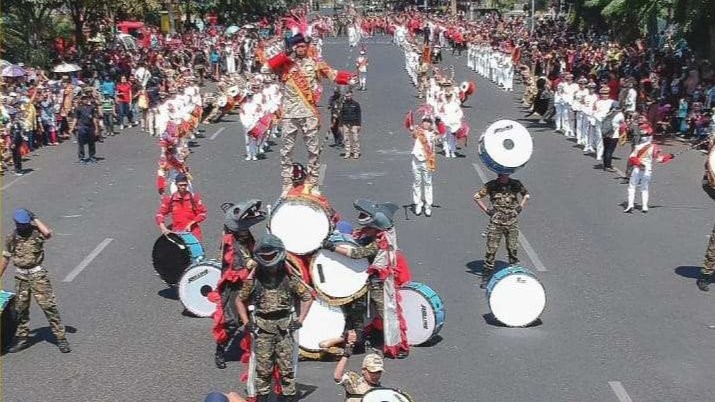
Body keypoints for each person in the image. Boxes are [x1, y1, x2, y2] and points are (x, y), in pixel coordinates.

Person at [266, 31, 356, 196]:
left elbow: (333, 74)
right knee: (286, 151)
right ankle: (287, 184)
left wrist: (349, 78)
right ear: (293, 47)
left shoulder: (315, 63)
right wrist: (284, 54)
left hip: (308, 113)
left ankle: (313, 183)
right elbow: (266, 68)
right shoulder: (285, 64)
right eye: (298, 46)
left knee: (313, 151)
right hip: (289, 114)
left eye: (303, 46)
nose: (301, 49)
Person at [323, 199, 410, 359]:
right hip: (369, 282)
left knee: (387, 314)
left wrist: (333, 248)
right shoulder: (374, 234)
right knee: (359, 312)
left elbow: (357, 254)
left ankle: (398, 346)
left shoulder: (380, 241)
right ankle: (359, 340)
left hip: (379, 284)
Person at [236, 233, 313, 402]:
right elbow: (239, 300)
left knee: (287, 370)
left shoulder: (289, 277)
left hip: (285, 328)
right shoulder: (254, 279)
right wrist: (247, 322)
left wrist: (299, 321)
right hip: (262, 329)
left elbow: (307, 297)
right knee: (263, 370)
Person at [0, 208, 71, 353]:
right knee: (21, 309)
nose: (23, 227)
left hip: (37, 275)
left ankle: (61, 338)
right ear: (16, 223)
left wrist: (35, 218)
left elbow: (48, 234)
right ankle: (23, 338)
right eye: (21, 224)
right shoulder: (11, 237)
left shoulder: (36, 232)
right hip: (21, 277)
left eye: (26, 224)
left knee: (48, 306)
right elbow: (5, 258)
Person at [211, 200, 266, 369]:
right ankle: (221, 351)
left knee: (257, 316)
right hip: (234, 285)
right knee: (232, 321)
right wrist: (256, 264)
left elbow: (253, 250)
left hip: (250, 280)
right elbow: (238, 267)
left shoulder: (245, 234)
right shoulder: (230, 241)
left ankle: (256, 351)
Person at [473, 173, 530, 288]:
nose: (505, 176)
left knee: (512, 247)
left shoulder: (516, 184)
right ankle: (486, 274)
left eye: (506, 175)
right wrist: (488, 211)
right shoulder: (491, 185)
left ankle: (514, 272)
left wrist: (519, 208)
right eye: (503, 175)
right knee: (491, 249)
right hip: (496, 222)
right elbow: (476, 197)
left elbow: (527, 195)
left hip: (511, 221)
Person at [623, 122, 673, 213]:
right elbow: (659, 160)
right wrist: (669, 157)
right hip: (647, 170)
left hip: (637, 169)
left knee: (632, 187)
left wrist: (639, 164)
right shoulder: (654, 147)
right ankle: (645, 206)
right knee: (644, 188)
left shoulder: (638, 146)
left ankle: (630, 204)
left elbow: (632, 158)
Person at [155, 173, 208, 241]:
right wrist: (163, 228)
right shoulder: (170, 199)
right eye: (181, 185)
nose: (183, 187)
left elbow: (202, 213)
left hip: (193, 234)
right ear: (176, 185)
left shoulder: (194, 198)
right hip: (177, 234)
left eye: (185, 185)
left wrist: (191, 223)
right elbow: (160, 214)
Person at [409, 115, 437, 216]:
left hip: (427, 161)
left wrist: (435, 128)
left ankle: (428, 205)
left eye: (428, 122)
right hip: (416, 160)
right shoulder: (418, 131)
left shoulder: (433, 134)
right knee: (417, 182)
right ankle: (418, 204)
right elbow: (413, 134)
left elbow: (438, 137)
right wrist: (412, 127)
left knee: (427, 183)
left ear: (431, 124)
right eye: (424, 121)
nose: (426, 123)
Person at [73, 94, 100, 164]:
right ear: (81, 100)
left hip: (90, 126)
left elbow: (94, 118)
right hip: (82, 126)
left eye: (86, 99)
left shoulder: (91, 107)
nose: (85, 100)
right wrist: (72, 128)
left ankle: (92, 156)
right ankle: (81, 158)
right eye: (83, 99)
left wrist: (96, 128)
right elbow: (75, 118)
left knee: (91, 142)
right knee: (81, 143)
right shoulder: (78, 108)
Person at [340, 91, 362, 159]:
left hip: (354, 123)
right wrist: (340, 125)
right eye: (347, 96)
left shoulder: (356, 104)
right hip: (345, 123)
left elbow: (359, 115)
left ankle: (356, 152)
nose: (348, 97)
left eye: (349, 96)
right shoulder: (343, 104)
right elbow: (341, 114)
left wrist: (359, 124)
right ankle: (347, 153)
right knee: (346, 139)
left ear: (352, 96)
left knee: (355, 138)